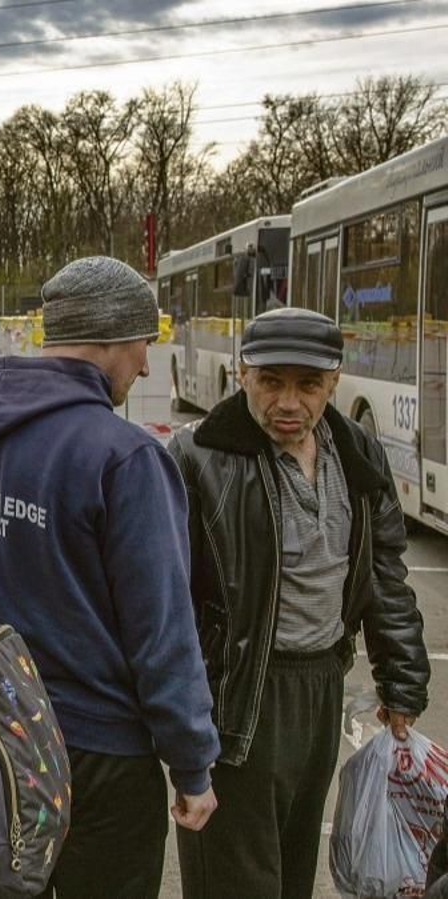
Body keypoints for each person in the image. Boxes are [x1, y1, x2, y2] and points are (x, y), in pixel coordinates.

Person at [0, 256, 220, 899]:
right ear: (112, 336)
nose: (146, 365)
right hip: (98, 755)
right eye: (145, 343)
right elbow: (162, 630)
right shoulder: (125, 456)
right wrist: (191, 763)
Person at [168, 307, 431, 899]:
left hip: (318, 689)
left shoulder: (358, 453)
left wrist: (402, 681)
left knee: (291, 873)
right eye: (271, 381)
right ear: (243, 374)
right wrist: (183, 731)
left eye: (307, 385)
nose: (288, 402)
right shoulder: (198, 456)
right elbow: (168, 606)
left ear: (333, 383)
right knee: (235, 880)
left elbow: (384, 575)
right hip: (235, 697)